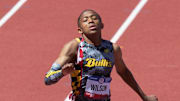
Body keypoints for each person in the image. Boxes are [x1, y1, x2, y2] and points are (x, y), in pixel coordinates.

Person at [44, 9, 158, 101]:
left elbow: (124, 72)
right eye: (85, 20)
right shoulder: (74, 47)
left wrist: (144, 96)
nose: (90, 21)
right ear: (80, 30)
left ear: (102, 25)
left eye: (94, 18)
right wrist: (62, 73)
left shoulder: (112, 49)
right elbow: (48, 79)